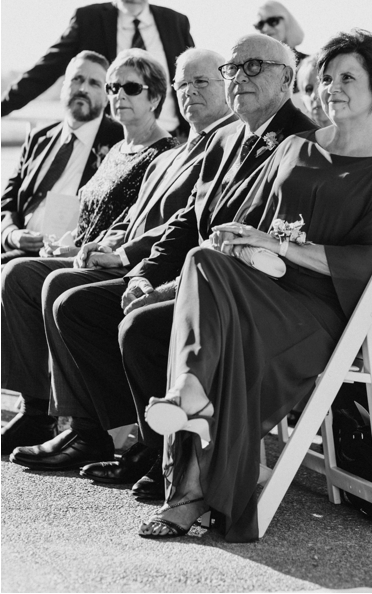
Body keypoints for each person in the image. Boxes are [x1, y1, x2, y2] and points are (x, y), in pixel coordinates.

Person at [138, 28, 372, 542]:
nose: (332, 87)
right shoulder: (295, 146)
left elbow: (367, 265)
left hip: (323, 316)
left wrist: (283, 248)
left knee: (215, 320)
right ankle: (191, 400)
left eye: (348, 78)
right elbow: (251, 224)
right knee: (204, 258)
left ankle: (190, 468)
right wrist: (247, 241)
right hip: (261, 290)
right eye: (328, 77)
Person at [8, 35, 316, 495]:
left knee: (139, 327)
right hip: (194, 274)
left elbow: (260, 240)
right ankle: (117, 434)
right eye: (234, 69)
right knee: (77, 306)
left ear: (287, 78)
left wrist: (165, 286)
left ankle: (160, 451)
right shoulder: (225, 138)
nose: (240, 78)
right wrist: (143, 275)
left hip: (247, 293)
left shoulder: (301, 140)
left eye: (254, 67)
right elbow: (187, 223)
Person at [0, 49, 235, 457]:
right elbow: (134, 216)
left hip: (168, 270)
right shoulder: (172, 154)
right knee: (25, 274)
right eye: (184, 84)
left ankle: (85, 426)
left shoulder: (205, 148)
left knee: (50, 284)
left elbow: (182, 226)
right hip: (119, 255)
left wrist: (123, 255)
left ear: (153, 97)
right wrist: (100, 243)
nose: (118, 95)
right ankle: (54, 413)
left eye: (129, 87)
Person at [2, 0, 195, 135]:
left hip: (173, 137)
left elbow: (195, 75)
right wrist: (3, 106)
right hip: (112, 140)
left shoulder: (175, 22)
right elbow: (46, 70)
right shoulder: (89, 21)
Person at [1, 52, 123, 264]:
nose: (83, 88)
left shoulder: (119, 141)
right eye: (77, 79)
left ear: (107, 96)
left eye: (94, 83)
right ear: (64, 85)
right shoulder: (38, 137)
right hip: (19, 247)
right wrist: (11, 234)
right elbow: (8, 200)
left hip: (68, 256)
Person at [254, 0, 307, 67]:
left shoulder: (310, 64)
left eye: (272, 21)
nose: (265, 28)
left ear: (287, 22)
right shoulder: (254, 66)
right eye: (260, 24)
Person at [296, 54, 331, 127]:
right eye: (309, 89)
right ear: (303, 102)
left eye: (321, 85)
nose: (314, 96)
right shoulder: (296, 137)